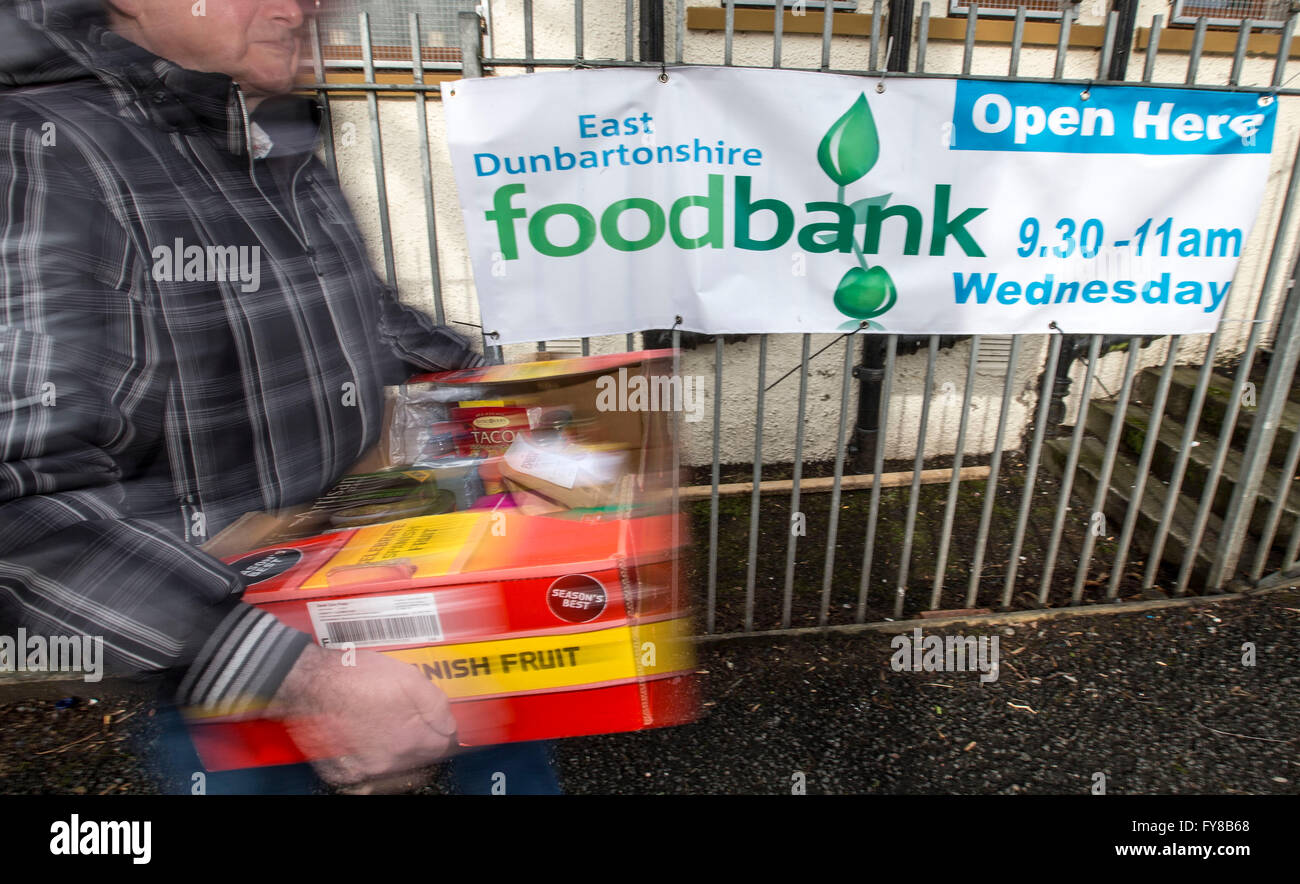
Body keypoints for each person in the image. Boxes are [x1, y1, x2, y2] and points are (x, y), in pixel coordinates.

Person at [0, 0, 542, 793]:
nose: (306, 6)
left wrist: (521, 396)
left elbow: (362, 322)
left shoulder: (258, 121)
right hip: (255, 676)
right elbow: (20, 505)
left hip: (386, 587)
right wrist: (298, 676)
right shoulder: (43, 156)